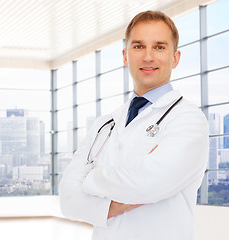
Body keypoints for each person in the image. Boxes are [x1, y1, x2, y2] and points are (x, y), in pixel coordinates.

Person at [59, 10, 209, 240]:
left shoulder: (189, 119)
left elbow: (148, 182)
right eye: (138, 46)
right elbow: (68, 199)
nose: (148, 57)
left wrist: (90, 179)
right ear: (125, 56)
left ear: (175, 58)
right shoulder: (105, 124)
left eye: (159, 47)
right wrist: (113, 204)